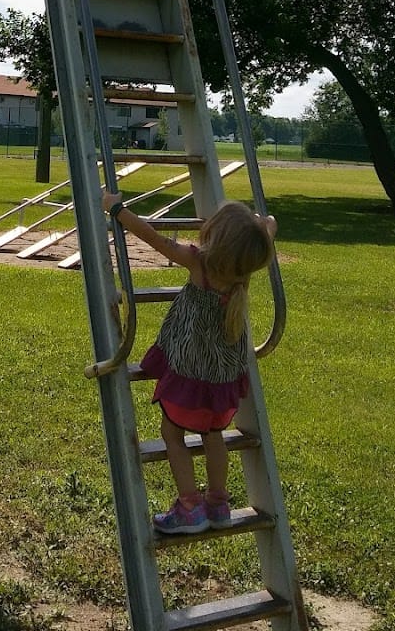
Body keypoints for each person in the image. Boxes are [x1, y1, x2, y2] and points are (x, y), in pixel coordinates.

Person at [103, 190, 277, 535]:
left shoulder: (199, 263)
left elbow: (152, 237)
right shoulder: (243, 270)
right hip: (222, 380)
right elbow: (270, 226)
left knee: (172, 434)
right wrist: (262, 224)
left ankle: (189, 506)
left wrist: (117, 208)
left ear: (217, 236)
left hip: (190, 374)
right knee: (214, 435)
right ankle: (218, 502)